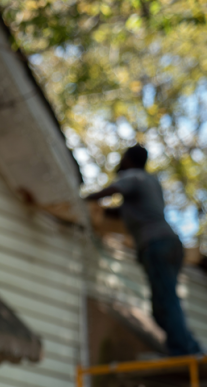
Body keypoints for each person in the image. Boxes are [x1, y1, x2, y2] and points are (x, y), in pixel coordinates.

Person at [85, 143, 203, 356]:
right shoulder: (151, 183)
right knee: (163, 304)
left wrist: (86, 199)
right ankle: (187, 346)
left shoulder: (134, 176)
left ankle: (184, 350)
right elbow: (124, 212)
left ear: (129, 160)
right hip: (170, 243)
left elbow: (113, 190)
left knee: (165, 301)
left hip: (156, 243)